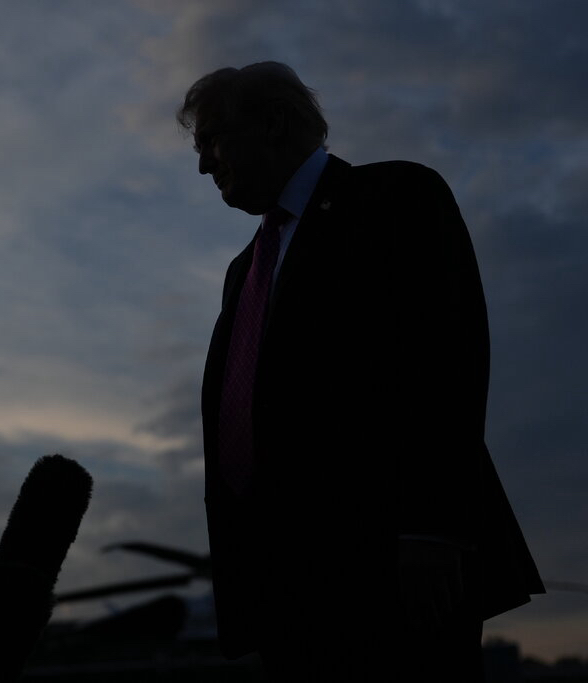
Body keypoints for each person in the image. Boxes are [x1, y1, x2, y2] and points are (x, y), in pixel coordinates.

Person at [177, 62, 544, 681]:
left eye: (210, 139)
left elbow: (444, 359)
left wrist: (431, 528)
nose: (203, 166)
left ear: (272, 123)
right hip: (288, 588)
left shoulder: (395, 196)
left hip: (396, 572)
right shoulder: (245, 269)